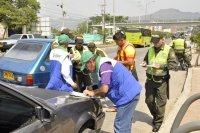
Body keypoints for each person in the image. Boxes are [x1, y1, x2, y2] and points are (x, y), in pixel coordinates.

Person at [81, 51, 142, 133]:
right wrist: (92, 91)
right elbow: (104, 87)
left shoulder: (104, 65)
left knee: (120, 126)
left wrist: (93, 93)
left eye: (86, 66)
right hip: (130, 94)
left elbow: (104, 89)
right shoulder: (102, 63)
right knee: (125, 124)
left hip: (128, 97)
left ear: (91, 62)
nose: (87, 69)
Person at [141, 33, 178, 132]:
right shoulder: (151, 49)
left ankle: (158, 122)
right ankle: (156, 115)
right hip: (150, 80)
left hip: (161, 81)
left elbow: (174, 64)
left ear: (163, 39)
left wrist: (160, 66)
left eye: (156, 41)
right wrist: (144, 63)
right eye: (153, 41)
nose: (154, 43)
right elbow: (146, 60)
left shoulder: (168, 50)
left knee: (161, 102)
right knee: (149, 101)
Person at [106, 32, 139, 112]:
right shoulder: (121, 47)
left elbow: (130, 62)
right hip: (123, 71)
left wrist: (116, 63)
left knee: (124, 90)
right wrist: (112, 60)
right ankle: (118, 106)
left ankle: (120, 107)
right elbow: (118, 57)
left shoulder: (129, 48)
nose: (116, 43)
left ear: (121, 40)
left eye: (117, 42)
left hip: (129, 72)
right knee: (118, 88)